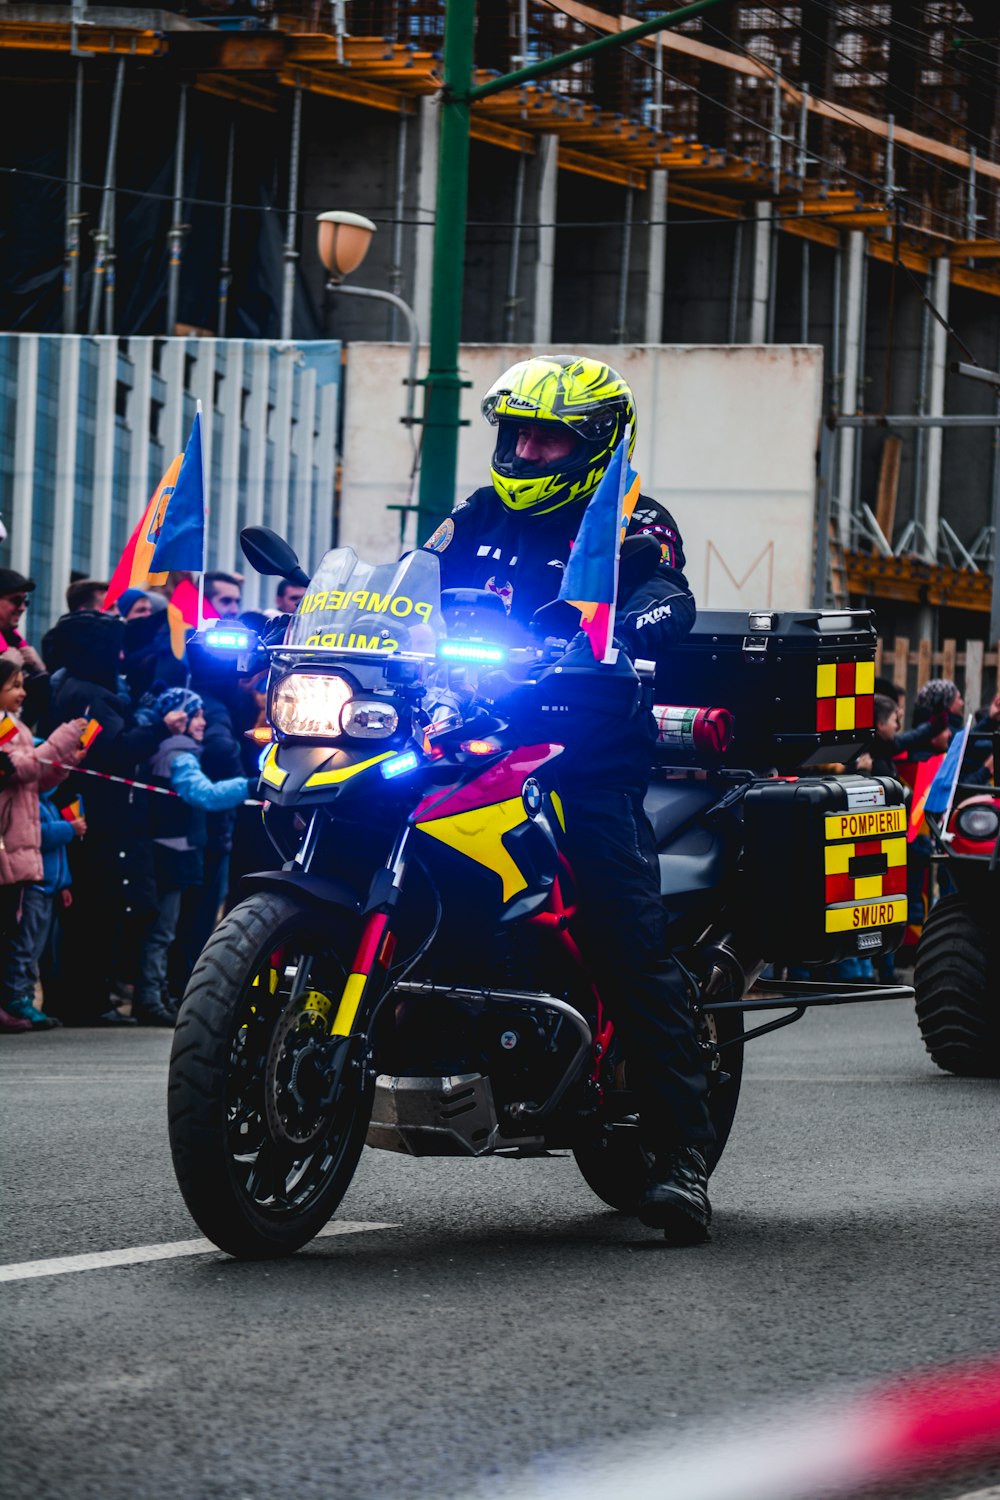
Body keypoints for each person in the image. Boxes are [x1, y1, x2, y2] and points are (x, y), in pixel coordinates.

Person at [424, 354, 713, 1242]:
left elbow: (668, 594)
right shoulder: (473, 514)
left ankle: (680, 1160)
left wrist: (629, 623)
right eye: (517, 434)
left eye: (548, 437)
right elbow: (410, 579)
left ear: (593, 444)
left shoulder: (633, 514)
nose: (526, 450)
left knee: (623, 930)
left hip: (583, 747)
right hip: (466, 733)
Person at [43, 608, 187, 1025]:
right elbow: (117, 753)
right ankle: (87, 1001)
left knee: (97, 911)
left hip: (99, 816)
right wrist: (162, 726)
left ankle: (88, 998)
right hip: (99, 819)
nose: (122, 657)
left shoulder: (83, 687)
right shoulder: (89, 694)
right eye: (115, 648)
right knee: (95, 912)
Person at [132, 687, 255, 1026]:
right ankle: (150, 998)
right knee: (162, 932)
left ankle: (156, 994)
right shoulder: (180, 755)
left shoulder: (166, 750)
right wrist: (250, 786)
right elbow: (205, 795)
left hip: (168, 851)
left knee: (164, 930)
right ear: (180, 719)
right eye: (196, 715)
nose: (203, 722)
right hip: (172, 854)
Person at [0, 654, 86, 1033]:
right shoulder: (3, 729)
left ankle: (13, 1001)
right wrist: (61, 740)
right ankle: (13, 1001)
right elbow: (22, 768)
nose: (22, 693)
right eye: (14, 685)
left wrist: (63, 760)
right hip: (9, 842)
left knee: (16, 932)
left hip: (20, 846)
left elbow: (37, 779)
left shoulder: (13, 725)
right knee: (14, 933)